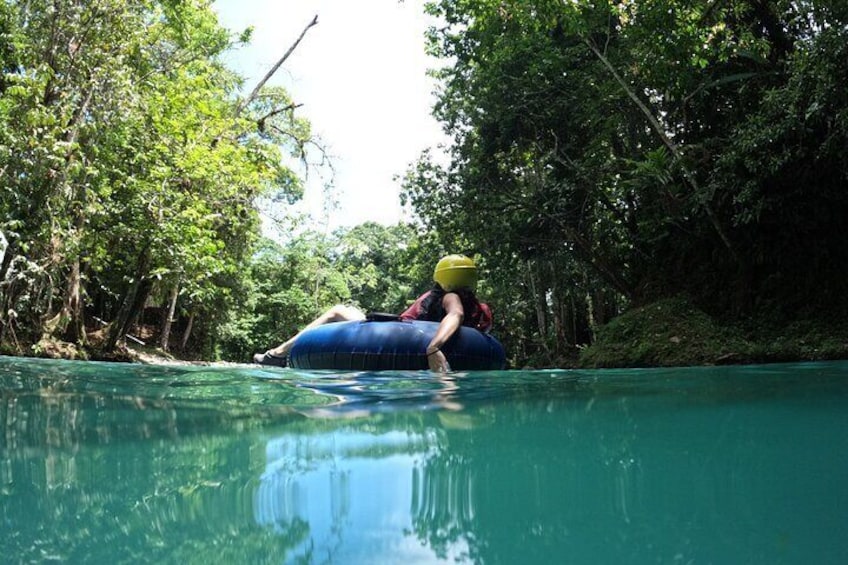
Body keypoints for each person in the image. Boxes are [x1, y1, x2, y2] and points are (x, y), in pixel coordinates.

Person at [252, 254, 493, 372]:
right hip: (405, 334)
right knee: (345, 311)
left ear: (442, 277)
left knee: (338, 311)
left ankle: (278, 354)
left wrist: (434, 347)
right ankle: (277, 354)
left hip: (400, 334)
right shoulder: (479, 307)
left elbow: (455, 315)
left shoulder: (451, 297)